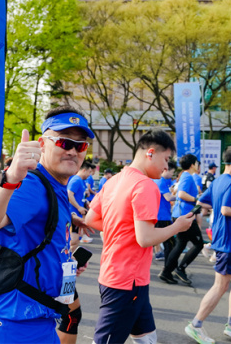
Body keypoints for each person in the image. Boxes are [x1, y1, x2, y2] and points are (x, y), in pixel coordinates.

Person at [0, 106, 93, 343]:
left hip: (39, 319)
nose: (73, 151)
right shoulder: (31, 184)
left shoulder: (55, 185)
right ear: (42, 144)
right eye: (64, 143)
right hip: (16, 326)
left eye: (80, 145)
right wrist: (10, 180)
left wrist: (63, 264)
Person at [86, 129, 195, 344]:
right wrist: (178, 227)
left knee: (147, 337)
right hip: (127, 281)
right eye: (166, 159)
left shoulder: (113, 180)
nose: (167, 167)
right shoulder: (145, 185)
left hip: (119, 275)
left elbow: (91, 218)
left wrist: (120, 234)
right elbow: (145, 239)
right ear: (150, 153)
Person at [185, 146, 231, 344]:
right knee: (220, 286)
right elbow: (226, 210)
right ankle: (196, 325)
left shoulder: (218, 180)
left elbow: (202, 201)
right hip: (227, 240)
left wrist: (216, 209)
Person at [159, 153, 204, 286]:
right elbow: (181, 194)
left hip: (182, 214)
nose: (198, 165)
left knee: (180, 244)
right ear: (192, 165)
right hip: (185, 215)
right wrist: (197, 200)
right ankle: (180, 269)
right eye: (196, 163)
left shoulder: (186, 176)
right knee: (198, 244)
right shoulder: (187, 177)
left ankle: (166, 272)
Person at [67, 161, 94, 249]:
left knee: (77, 239)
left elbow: (79, 196)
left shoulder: (81, 181)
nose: (90, 174)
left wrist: (85, 202)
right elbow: (69, 194)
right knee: (73, 240)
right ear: (84, 170)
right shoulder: (76, 180)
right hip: (73, 215)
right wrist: (79, 207)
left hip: (77, 215)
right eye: (89, 172)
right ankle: (68, 259)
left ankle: (71, 259)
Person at [153, 161, 176, 262]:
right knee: (170, 243)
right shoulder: (161, 181)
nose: (172, 175)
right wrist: (181, 197)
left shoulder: (157, 179)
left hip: (158, 214)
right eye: (172, 172)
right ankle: (168, 267)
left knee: (158, 239)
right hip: (163, 215)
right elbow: (168, 198)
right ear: (166, 170)